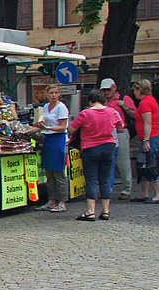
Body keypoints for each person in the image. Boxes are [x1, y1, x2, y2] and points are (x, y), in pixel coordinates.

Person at [69, 89, 125, 221]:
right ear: (103, 100)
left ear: (90, 100)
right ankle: (106, 211)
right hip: (109, 147)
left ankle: (90, 211)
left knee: (91, 179)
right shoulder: (112, 112)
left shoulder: (85, 113)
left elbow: (71, 129)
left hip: (90, 148)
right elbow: (121, 128)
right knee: (105, 178)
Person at [100, 78, 137, 199]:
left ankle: (127, 189)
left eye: (108, 90)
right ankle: (107, 189)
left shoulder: (124, 99)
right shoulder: (102, 101)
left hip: (120, 132)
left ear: (114, 88)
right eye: (104, 90)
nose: (106, 93)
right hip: (106, 133)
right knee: (106, 162)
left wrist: (125, 107)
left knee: (123, 162)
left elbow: (135, 115)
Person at [34, 83, 69, 212]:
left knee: (59, 173)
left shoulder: (61, 107)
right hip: (48, 139)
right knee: (49, 173)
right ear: (47, 94)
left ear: (59, 94)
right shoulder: (46, 106)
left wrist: (48, 128)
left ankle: (62, 201)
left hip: (58, 139)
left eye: (56, 93)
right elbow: (41, 124)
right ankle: (51, 200)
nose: (54, 95)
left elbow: (63, 126)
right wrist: (28, 131)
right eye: (51, 93)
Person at [132, 79, 159, 203]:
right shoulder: (149, 100)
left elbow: (148, 122)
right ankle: (144, 193)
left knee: (150, 164)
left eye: (135, 90)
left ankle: (157, 194)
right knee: (145, 164)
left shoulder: (145, 103)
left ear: (140, 90)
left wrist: (146, 140)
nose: (134, 92)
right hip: (150, 137)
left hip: (151, 137)